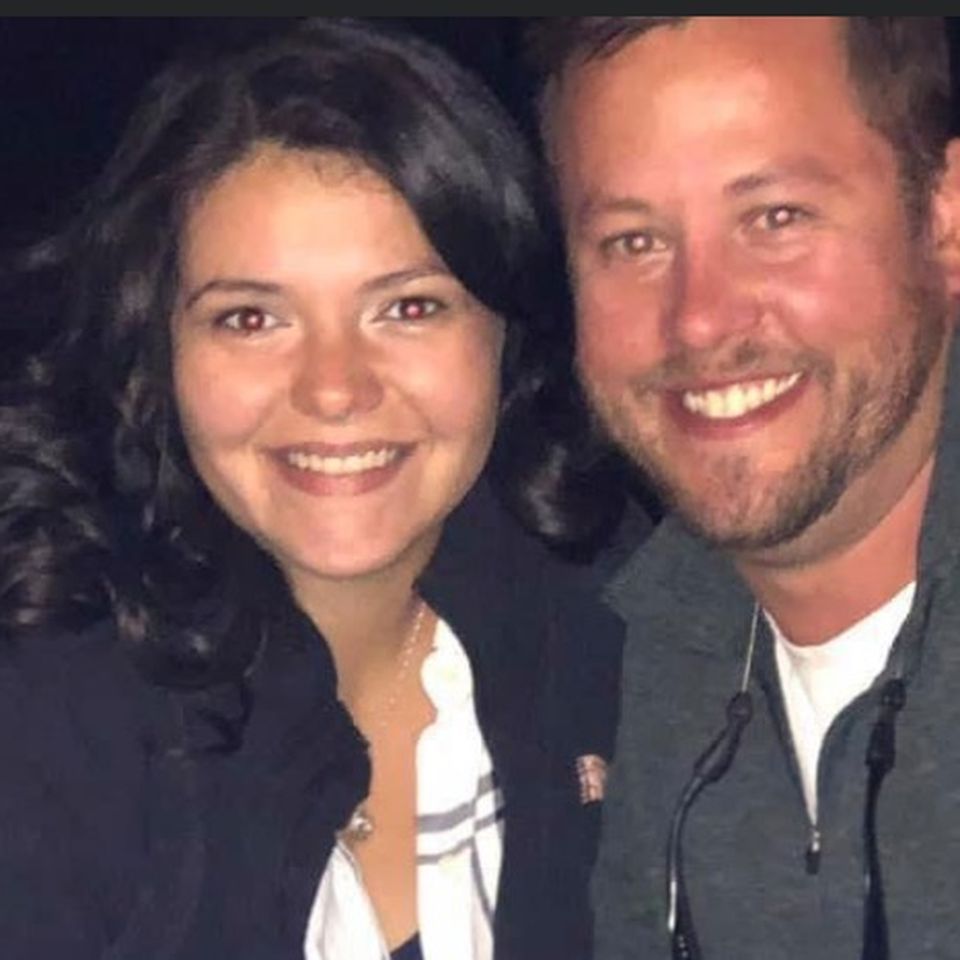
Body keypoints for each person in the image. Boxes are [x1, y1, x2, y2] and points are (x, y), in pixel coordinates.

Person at [0, 18, 624, 960]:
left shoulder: (621, 630)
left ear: (509, 333)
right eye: (251, 318)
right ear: (156, 351)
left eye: (407, 307)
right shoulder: (46, 724)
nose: (335, 389)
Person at [526, 15, 960, 960]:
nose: (699, 319)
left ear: (944, 217)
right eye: (633, 242)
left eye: (775, 218)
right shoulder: (638, 652)